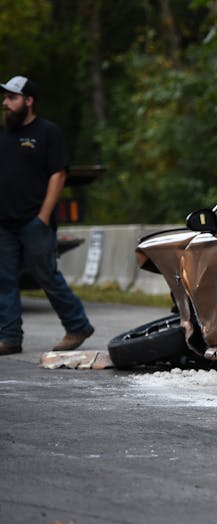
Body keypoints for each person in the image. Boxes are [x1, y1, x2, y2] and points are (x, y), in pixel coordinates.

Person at [0, 75, 94, 355]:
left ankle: (77, 326)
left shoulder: (47, 132)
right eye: (4, 98)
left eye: (12, 98)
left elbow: (58, 174)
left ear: (28, 101)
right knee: (5, 280)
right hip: (4, 223)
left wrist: (43, 216)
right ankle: (9, 337)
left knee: (46, 276)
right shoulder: (3, 135)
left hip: (34, 221)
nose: (5, 103)